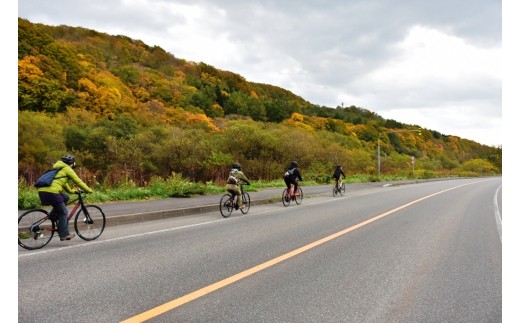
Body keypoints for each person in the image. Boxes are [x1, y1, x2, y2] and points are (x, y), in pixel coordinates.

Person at [37, 155, 93, 241]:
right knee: (63, 212)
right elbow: (78, 181)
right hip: (52, 192)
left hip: (43, 191)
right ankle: (64, 234)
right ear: (72, 164)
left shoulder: (58, 168)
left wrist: (71, 191)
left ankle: (53, 216)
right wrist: (88, 190)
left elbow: (63, 183)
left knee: (65, 197)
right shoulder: (67, 169)